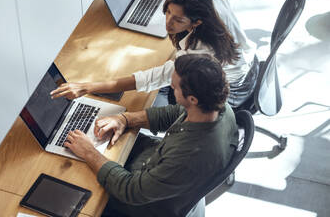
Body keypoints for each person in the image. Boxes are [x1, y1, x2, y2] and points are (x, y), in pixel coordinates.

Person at [64, 54, 238, 216]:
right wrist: (125, 119)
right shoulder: (217, 107)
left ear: (192, 99)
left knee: (67, 187)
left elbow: (131, 191)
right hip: (154, 163)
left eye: (175, 86)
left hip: (143, 201)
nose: (171, 86)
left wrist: (89, 152)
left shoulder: (191, 156)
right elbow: (175, 112)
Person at [50, 0, 258, 108]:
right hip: (250, 67)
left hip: (232, 92)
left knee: (148, 96)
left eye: (178, 20)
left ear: (197, 22)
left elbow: (152, 77)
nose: (168, 23)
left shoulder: (198, 55)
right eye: (168, 12)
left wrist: (87, 87)